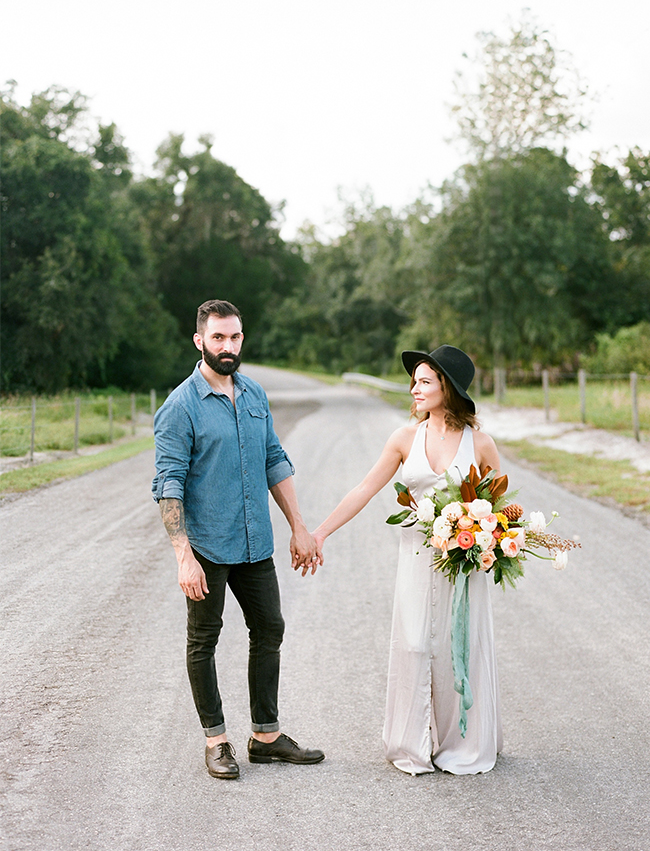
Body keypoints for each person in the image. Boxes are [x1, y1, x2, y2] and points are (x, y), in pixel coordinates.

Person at [152, 299, 324, 780]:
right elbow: (168, 485)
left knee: (270, 629)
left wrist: (298, 526)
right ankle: (216, 740)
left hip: (255, 543)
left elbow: (273, 458)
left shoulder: (253, 395)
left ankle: (265, 737)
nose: (228, 346)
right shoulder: (180, 407)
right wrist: (184, 557)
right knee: (204, 640)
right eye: (218, 338)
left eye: (235, 337)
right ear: (199, 341)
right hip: (206, 546)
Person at [312, 345, 503, 775]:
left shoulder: (482, 444)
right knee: (415, 644)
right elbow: (364, 488)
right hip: (416, 559)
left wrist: (484, 540)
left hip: (463, 565)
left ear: (447, 389)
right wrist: (321, 531)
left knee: (461, 647)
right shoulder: (404, 438)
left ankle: (464, 746)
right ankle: (411, 745)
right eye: (414, 381)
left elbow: (499, 510)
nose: (413, 389)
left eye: (424, 382)